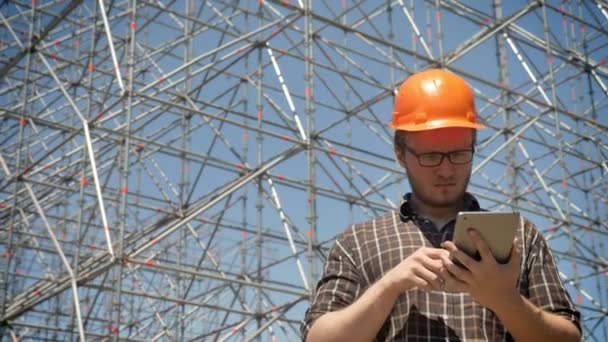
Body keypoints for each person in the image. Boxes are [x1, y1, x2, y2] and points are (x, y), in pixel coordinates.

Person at [301, 69, 581, 341]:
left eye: (459, 154)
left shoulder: (520, 236)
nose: (446, 171)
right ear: (400, 153)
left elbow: (568, 337)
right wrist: (389, 286)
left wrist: (505, 300)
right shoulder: (358, 243)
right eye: (431, 156)